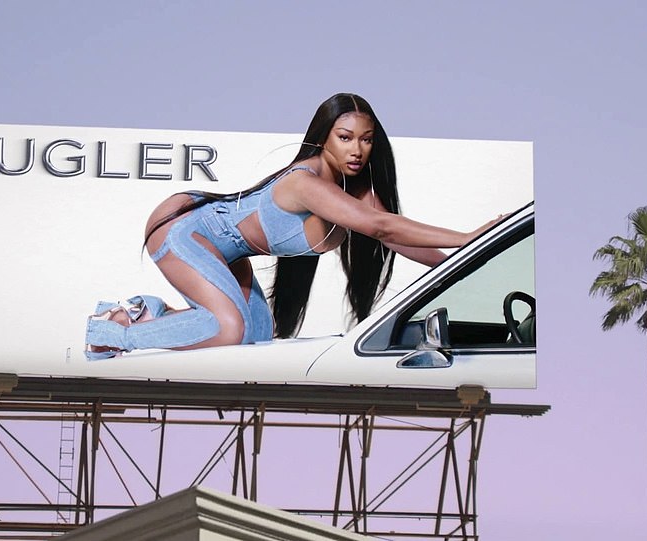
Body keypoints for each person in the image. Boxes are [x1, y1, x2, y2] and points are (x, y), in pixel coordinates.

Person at [84, 92, 503, 360]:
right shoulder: (306, 182)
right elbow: (381, 228)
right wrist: (467, 235)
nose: (357, 149)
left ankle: (149, 312)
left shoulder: (355, 189)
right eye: (345, 137)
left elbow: (396, 236)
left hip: (228, 252)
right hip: (187, 230)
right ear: (325, 137)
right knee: (228, 329)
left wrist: (464, 265)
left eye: (367, 139)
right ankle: (109, 330)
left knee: (255, 339)